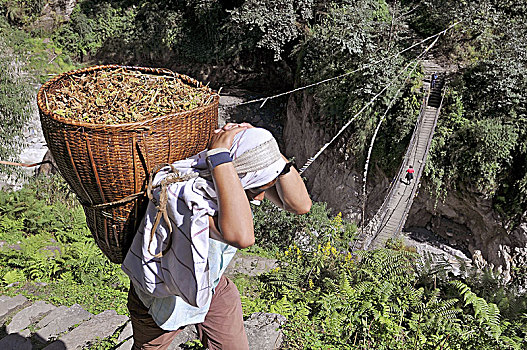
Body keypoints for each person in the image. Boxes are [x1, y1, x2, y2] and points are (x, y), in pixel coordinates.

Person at [122, 122, 311, 349]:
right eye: (254, 190)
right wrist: (220, 155)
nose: (259, 199)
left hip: (211, 285)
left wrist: (266, 149)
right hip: (164, 294)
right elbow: (242, 237)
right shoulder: (188, 194)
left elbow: (300, 205)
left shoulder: (229, 177)